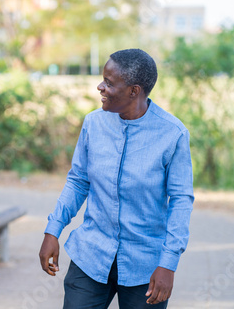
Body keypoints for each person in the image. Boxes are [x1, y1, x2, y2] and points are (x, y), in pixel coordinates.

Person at [39, 49, 194, 309]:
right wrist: (53, 230)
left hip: (145, 266)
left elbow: (181, 201)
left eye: (109, 83)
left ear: (134, 91)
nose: (100, 87)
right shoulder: (93, 124)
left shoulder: (173, 134)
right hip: (91, 255)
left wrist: (168, 263)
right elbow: (78, 181)